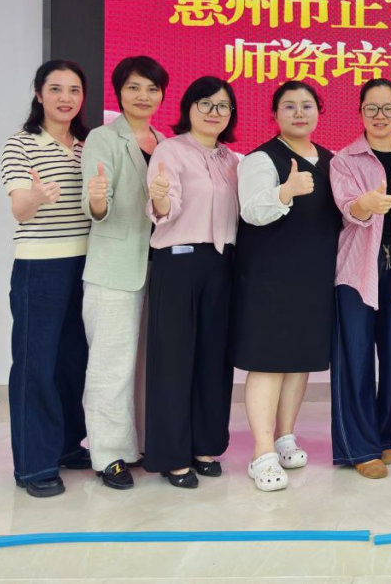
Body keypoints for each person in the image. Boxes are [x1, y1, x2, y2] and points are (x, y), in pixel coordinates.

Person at [232, 81, 342, 492]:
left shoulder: (331, 160)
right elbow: (251, 211)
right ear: (274, 114)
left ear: (319, 113)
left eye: (307, 106)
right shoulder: (261, 159)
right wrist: (285, 191)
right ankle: (261, 453)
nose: (299, 113)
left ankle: (284, 437)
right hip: (269, 277)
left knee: (298, 361)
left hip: (313, 277)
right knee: (268, 361)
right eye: (289, 106)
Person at [0, 59, 92, 497]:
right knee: (36, 364)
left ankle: (69, 446)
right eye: (55, 89)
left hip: (86, 264)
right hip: (40, 266)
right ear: (39, 94)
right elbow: (20, 209)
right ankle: (34, 466)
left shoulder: (88, 145)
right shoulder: (20, 144)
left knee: (73, 362)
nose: (65, 98)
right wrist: (35, 197)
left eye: (74, 90)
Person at [143, 76, 240, 489]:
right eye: (205, 104)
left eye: (222, 106)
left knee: (213, 360)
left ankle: (205, 446)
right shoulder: (170, 150)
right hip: (179, 263)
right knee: (173, 360)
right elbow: (166, 208)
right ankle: (172, 456)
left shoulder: (235, 160)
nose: (214, 112)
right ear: (189, 107)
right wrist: (160, 195)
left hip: (224, 264)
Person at [80, 55, 168, 489]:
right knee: (110, 364)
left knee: (147, 366)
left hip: (159, 266)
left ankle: (142, 444)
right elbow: (96, 207)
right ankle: (109, 454)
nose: (143, 96)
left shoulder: (164, 141)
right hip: (114, 267)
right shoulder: (103, 138)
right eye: (134, 87)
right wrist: (97, 198)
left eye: (152, 88)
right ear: (119, 91)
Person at [329, 79, 391, 480]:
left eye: (387, 108)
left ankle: (389, 435)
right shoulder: (344, 160)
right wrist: (364, 204)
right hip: (356, 273)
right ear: (360, 112)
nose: (380, 116)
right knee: (357, 359)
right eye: (372, 108)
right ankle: (360, 448)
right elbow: (349, 208)